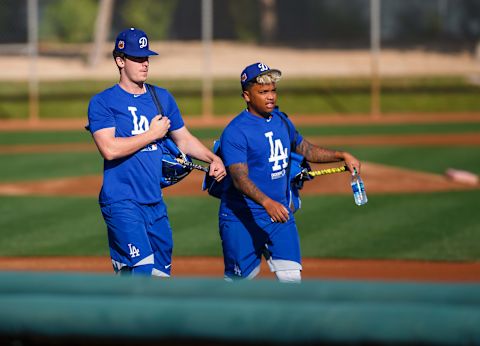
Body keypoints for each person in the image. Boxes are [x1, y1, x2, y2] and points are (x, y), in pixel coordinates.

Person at [86, 28, 226, 277]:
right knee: (141, 270)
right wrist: (152, 134)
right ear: (120, 61)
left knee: (160, 275)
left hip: (154, 202)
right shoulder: (103, 102)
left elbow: (183, 139)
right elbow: (108, 149)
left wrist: (213, 158)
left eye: (146, 57)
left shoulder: (161, 97)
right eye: (137, 58)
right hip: (121, 200)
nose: (144, 63)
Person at [218, 62, 361, 283]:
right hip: (241, 218)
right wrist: (267, 202)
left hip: (280, 215)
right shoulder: (235, 132)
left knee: (292, 281)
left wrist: (341, 155)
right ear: (247, 96)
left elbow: (305, 149)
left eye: (273, 90)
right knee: (238, 288)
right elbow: (239, 178)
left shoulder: (282, 121)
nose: (270, 97)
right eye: (263, 92)